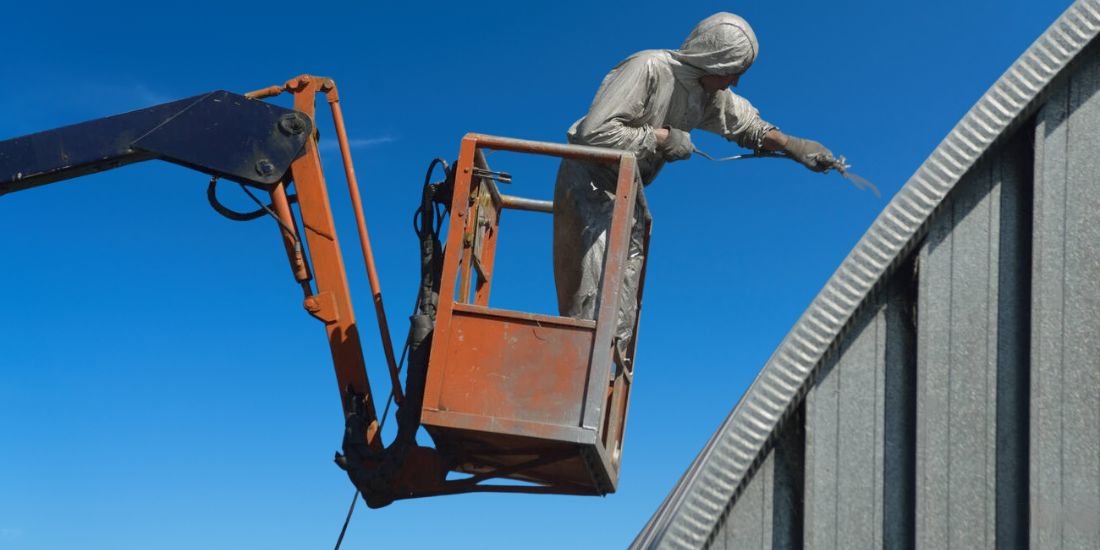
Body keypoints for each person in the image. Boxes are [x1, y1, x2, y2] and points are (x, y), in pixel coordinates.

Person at [553, 12, 836, 358]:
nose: (735, 81)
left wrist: (794, 146)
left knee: (622, 299)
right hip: (589, 184)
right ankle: (577, 378)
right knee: (592, 294)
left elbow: (745, 123)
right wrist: (660, 138)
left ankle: (607, 376)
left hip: (628, 191)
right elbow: (594, 134)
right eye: (733, 70)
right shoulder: (650, 67)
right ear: (712, 59)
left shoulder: (706, 93)